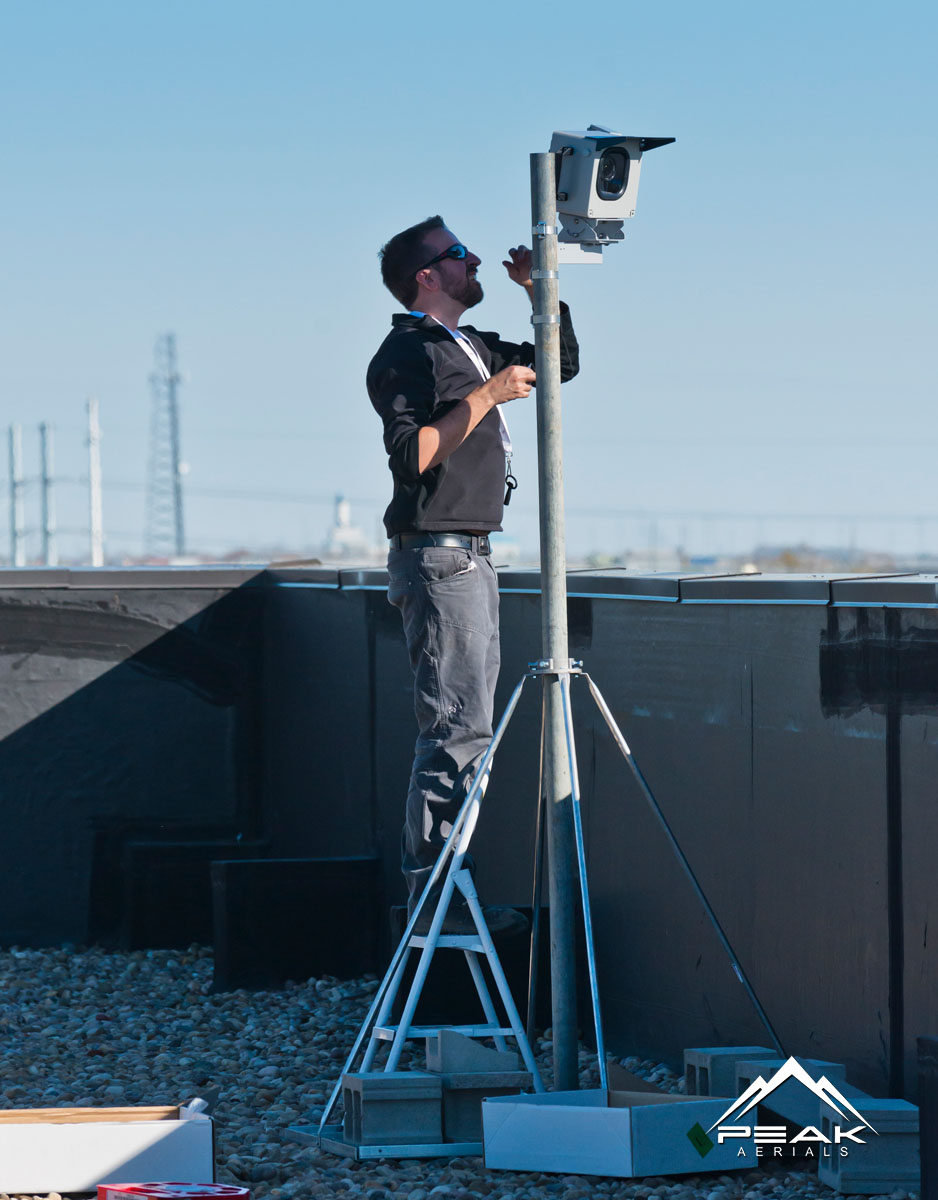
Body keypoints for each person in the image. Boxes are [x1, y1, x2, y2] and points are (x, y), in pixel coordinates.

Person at [367, 215, 579, 933]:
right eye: (459, 254)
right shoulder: (406, 352)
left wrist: (538, 294)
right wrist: (486, 396)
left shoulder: (470, 344)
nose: (476, 258)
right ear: (427, 276)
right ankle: (436, 905)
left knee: (468, 730)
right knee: (457, 732)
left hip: (470, 556)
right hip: (439, 555)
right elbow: (414, 453)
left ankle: (447, 897)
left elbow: (561, 364)